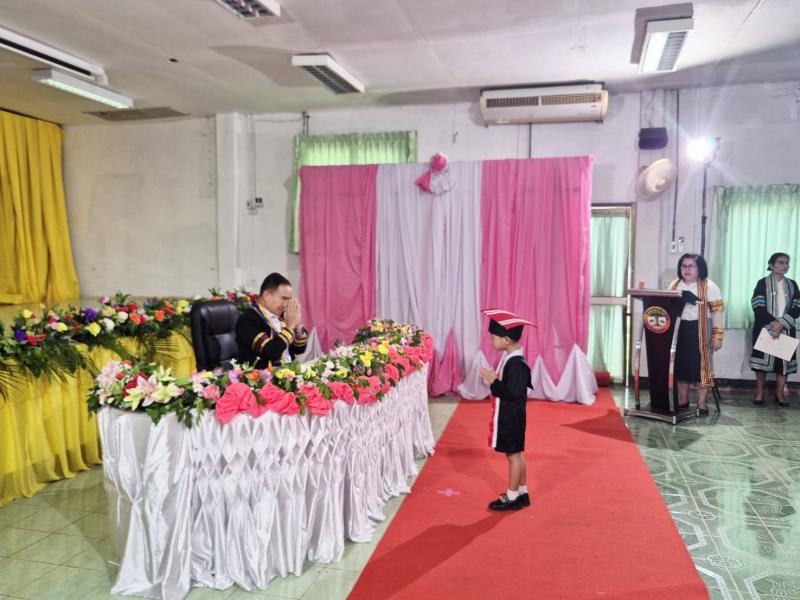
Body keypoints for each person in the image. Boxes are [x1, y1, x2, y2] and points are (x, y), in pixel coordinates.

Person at [479, 309, 533, 512]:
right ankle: (522, 492)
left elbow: (512, 392)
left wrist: (493, 381)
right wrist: (494, 379)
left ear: (507, 339)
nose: (491, 340)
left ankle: (511, 497)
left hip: (511, 417)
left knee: (513, 456)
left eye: (494, 337)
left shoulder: (517, 364)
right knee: (516, 454)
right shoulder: (511, 357)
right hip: (512, 415)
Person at [669, 254, 724, 416]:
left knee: (702, 366)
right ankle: (683, 400)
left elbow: (717, 312)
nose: (686, 269)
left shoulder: (709, 286)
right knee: (679, 365)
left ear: (700, 268)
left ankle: (701, 402)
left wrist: (718, 336)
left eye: (691, 266)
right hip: (679, 329)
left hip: (701, 329)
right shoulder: (674, 284)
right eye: (683, 266)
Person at [750, 252, 800, 407]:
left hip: (786, 328)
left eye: (787, 263)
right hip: (765, 328)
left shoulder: (792, 284)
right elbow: (757, 306)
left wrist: (782, 323)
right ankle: (760, 392)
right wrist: (775, 325)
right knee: (761, 365)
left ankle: (779, 394)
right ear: (771, 265)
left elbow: (797, 307)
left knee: (783, 366)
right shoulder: (762, 283)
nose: (785, 265)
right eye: (781, 262)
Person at [236, 272, 308, 369]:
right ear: (266, 295)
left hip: (288, 373)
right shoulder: (248, 318)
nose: (286, 304)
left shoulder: (282, 316)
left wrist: (298, 326)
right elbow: (271, 352)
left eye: (288, 300)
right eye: (283, 298)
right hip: (263, 376)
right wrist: (290, 327)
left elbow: (299, 349)